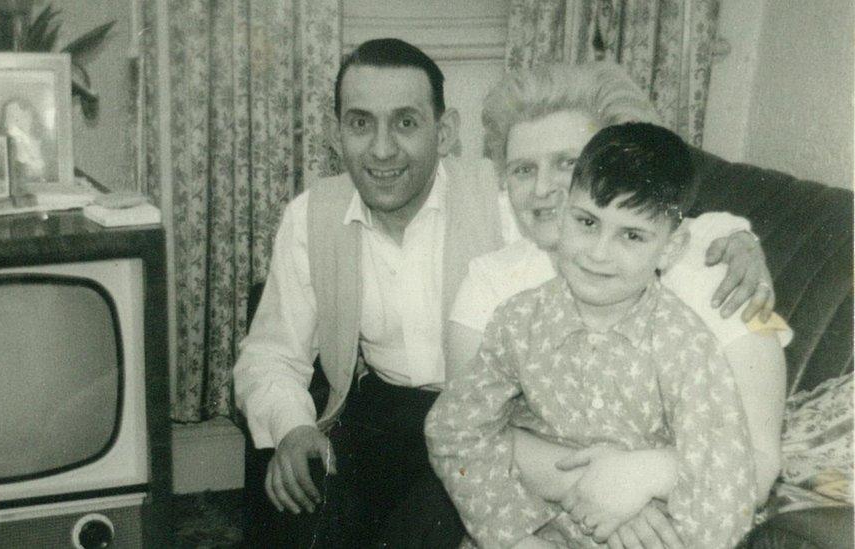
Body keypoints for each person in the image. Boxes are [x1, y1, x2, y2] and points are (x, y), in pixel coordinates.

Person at [233, 39, 773, 548]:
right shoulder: (501, 277)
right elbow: (460, 425)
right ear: (335, 135)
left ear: (444, 133)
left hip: (576, 463)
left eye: (405, 122)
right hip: (394, 411)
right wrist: (292, 425)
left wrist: (737, 234)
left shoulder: (689, 264)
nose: (544, 190)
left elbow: (653, 219)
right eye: (523, 170)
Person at [447, 63, 789, 548]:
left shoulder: (719, 270)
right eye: (524, 169)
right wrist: (589, 491)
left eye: (567, 162)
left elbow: (760, 464)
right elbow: (467, 432)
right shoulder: (489, 282)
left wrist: (648, 474)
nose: (543, 188)